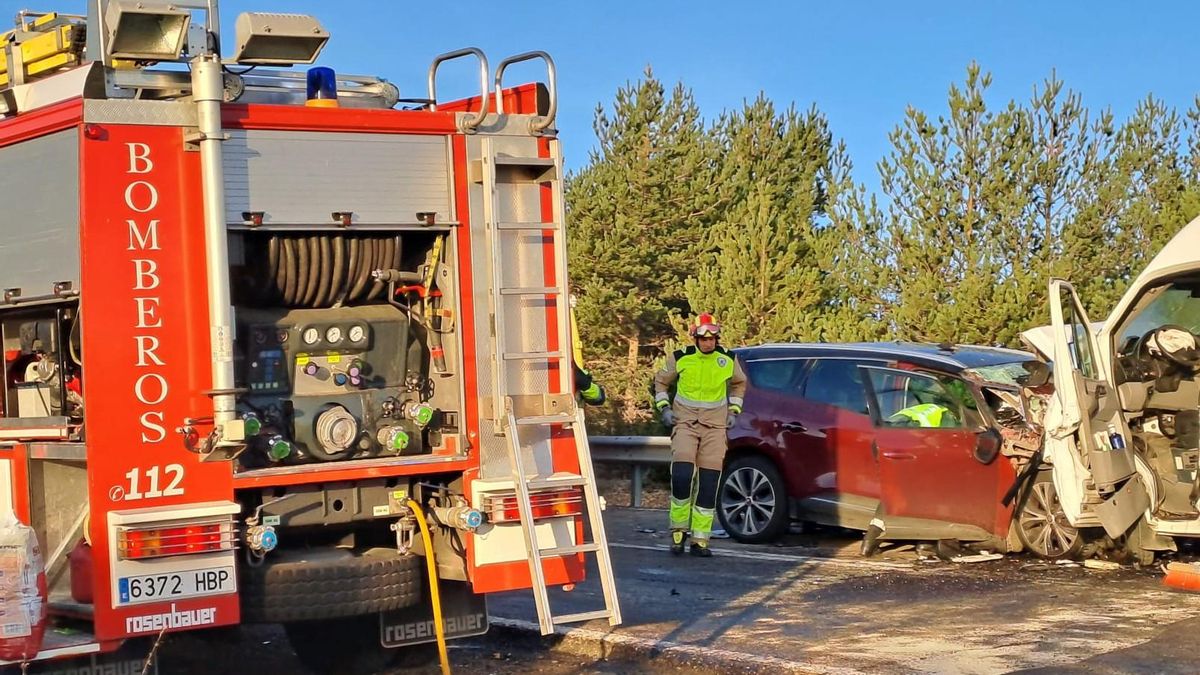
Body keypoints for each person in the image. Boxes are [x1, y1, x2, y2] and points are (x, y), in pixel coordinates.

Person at [652, 313, 746, 557]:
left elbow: (739, 384)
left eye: (713, 338)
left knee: (709, 482)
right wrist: (664, 408)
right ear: (695, 338)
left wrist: (734, 410)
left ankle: (700, 539)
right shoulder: (681, 358)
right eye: (704, 339)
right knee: (682, 476)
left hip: (715, 428)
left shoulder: (727, 359)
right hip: (685, 423)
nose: (708, 343)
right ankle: (678, 531)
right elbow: (661, 382)